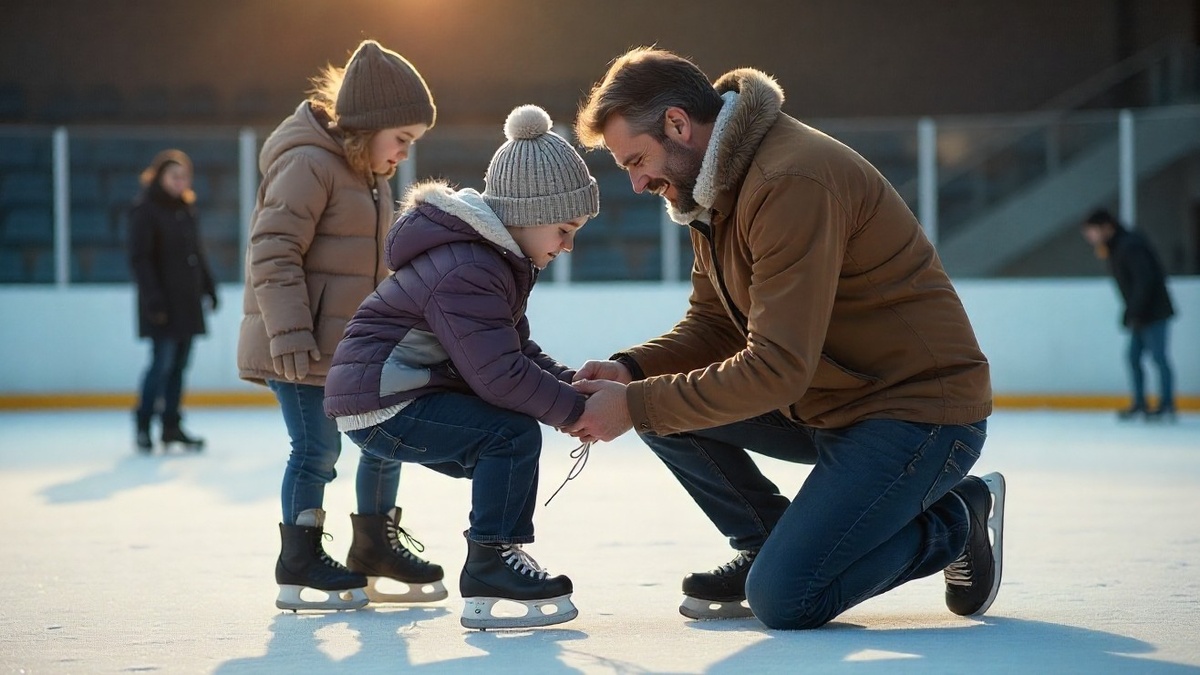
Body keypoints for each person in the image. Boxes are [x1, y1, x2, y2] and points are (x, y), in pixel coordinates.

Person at [566, 47, 1004, 630]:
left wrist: (636, 404)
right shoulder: (713, 188)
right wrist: (631, 370)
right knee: (653, 402)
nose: (639, 181)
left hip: (916, 414)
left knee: (787, 598)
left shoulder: (790, 180)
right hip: (832, 404)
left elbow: (777, 367)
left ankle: (958, 520)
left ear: (678, 123)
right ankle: (767, 544)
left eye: (637, 160)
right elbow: (716, 326)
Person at [323, 104, 600, 630]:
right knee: (509, 436)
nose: (568, 246)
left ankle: (494, 558)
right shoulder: (470, 267)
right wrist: (573, 412)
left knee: (507, 442)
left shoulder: (493, 261)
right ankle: (492, 562)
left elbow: (513, 352)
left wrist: (574, 386)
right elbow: (499, 376)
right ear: (525, 213)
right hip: (384, 403)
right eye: (564, 229)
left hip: (392, 395)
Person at [236, 39, 444, 612]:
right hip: (301, 346)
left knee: (386, 441)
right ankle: (298, 560)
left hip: (356, 347)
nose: (404, 153)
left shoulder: (365, 170)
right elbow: (273, 252)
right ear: (367, 126)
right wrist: (291, 335)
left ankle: (373, 547)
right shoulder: (308, 163)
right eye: (400, 139)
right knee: (316, 452)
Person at [128, 148, 217, 454]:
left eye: (185, 177)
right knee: (161, 364)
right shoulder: (146, 209)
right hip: (162, 305)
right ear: (159, 177)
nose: (181, 181)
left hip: (187, 302)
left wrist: (209, 287)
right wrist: (153, 300)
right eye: (174, 176)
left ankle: (171, 426)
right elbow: (140, 259)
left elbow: (197, 253)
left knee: (179, 366)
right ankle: (143, 424)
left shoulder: (185, 208)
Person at [1080, 209, 1177, 421]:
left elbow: (1145, 280)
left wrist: (1134, 310)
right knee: (1133, 357)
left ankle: (1167, 405)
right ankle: (1140, 403)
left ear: (1106, 227)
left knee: (1159, 358)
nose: (1090, 238)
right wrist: (1133, 311)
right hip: (1141, 313)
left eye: (1092, 232)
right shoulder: (1116, 246)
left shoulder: (1129, 245)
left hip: (1153, 312)